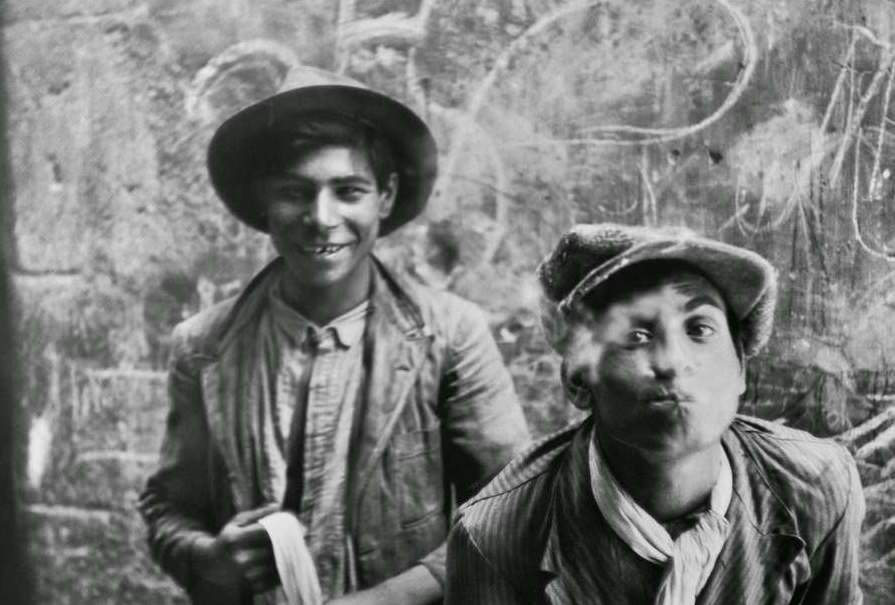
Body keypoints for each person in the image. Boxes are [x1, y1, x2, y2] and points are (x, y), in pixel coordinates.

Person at [139, 68, 530, 605]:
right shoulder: (203, 346)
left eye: (348, 191)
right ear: (263, 201)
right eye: (295, 193)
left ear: (385, 197)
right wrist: (211, 560)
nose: (322, 219)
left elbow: (517, 511)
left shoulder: (451, 335)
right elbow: (169, 507)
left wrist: (392, 597)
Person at [445, 223, 864, 604]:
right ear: (578, 379)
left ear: (741, 368)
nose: (672, 361)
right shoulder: (494, 535)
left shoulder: (817, 486)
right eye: (635, 334)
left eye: (700, 329)